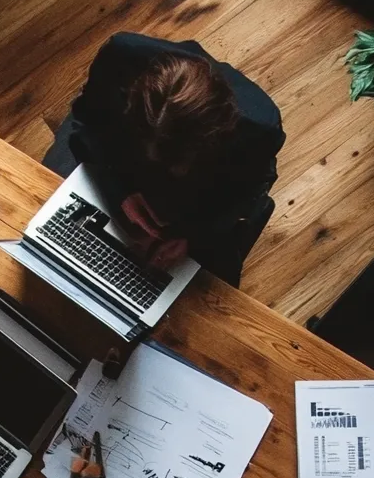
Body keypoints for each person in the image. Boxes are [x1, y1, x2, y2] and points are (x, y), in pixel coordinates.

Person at [43, 32, 285, 287]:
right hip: (117, 158)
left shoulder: (260, 128)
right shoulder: (121, 54)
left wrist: (191, 236)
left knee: (207, 289)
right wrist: (119, 190)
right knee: (49, 207)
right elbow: (87, 119)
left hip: (204, 194)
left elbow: (249, 192)